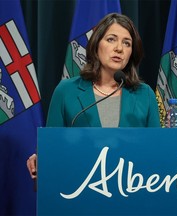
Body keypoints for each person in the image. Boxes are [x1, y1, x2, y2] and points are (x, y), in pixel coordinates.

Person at [27, 13, 161, 179]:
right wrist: (42, 159)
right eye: (111, 39)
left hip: (132, 189)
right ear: (96, 45)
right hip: (78, 187)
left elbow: (156, 151)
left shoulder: (144, 94)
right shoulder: (66, 91)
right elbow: (51, 147)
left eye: (127, 43)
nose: (119, 48)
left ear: (132, 52)